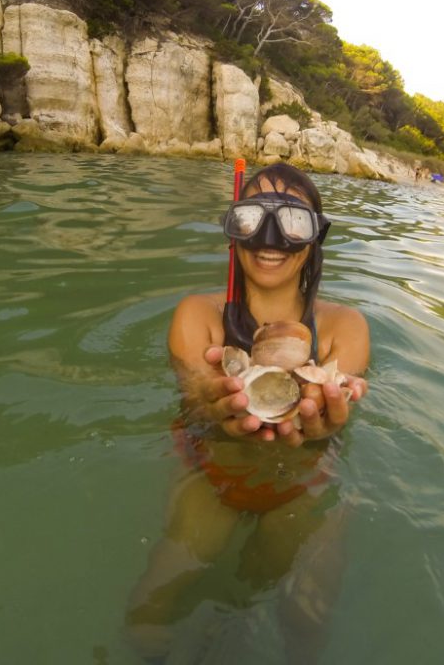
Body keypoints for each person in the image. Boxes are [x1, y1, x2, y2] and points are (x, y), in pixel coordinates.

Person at [126, 162, 369, 663]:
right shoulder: (199, 316)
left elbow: (333, 417)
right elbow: (195, 402)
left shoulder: (346, 327)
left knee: (305, 620)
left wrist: (324, 416)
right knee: (150, 610)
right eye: (252, 218)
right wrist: (211, 405)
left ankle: (235, 622)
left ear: (316, 237)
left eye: (294, 221)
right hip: (213, 476)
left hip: (304, 483)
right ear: (231, 230)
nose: (270, 237)